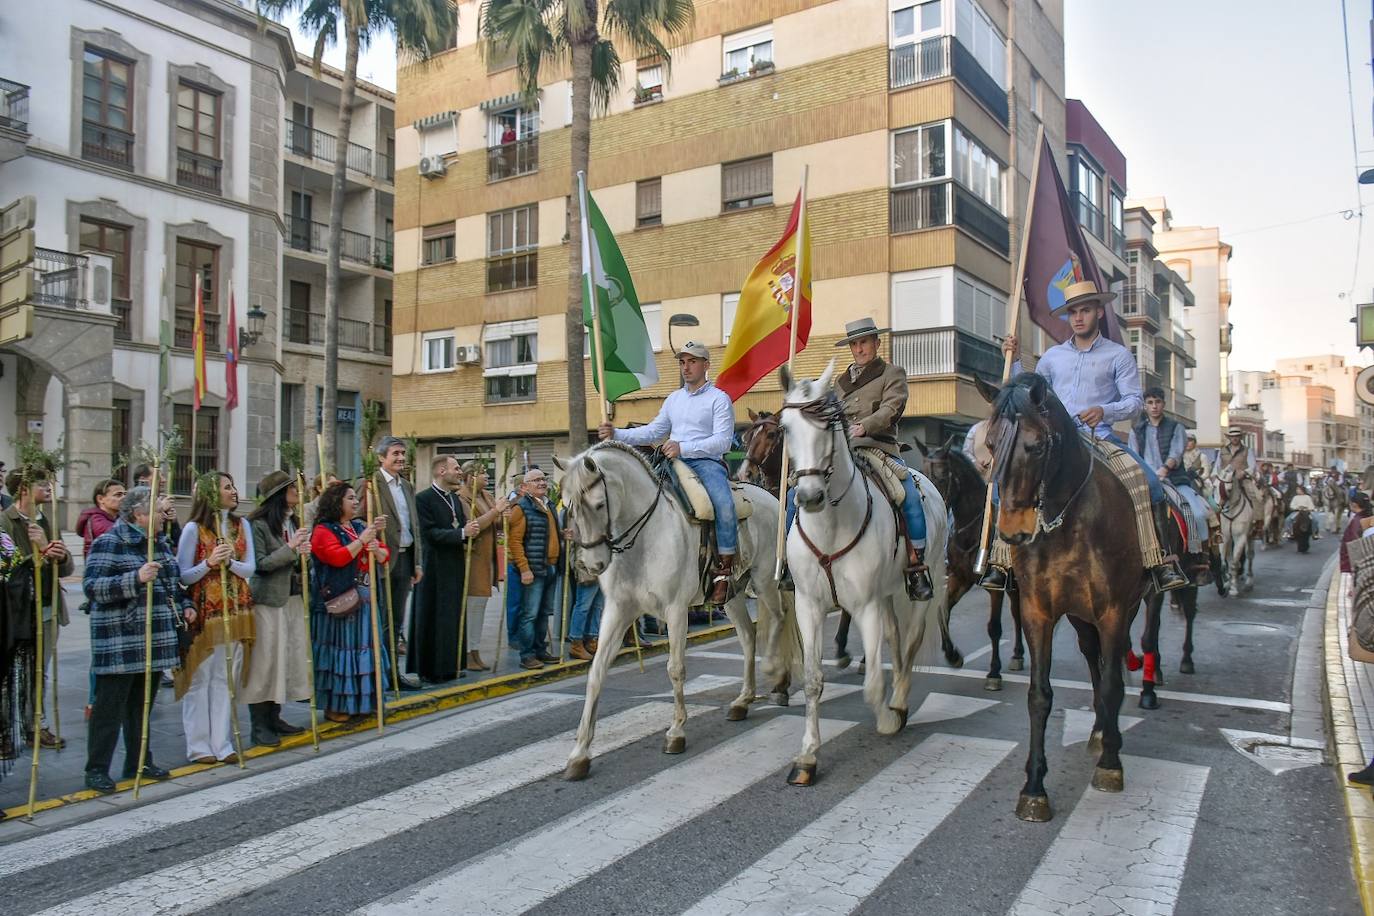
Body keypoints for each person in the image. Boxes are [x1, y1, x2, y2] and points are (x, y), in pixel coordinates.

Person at [995, 280, 1187, 591]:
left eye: (1085, 310)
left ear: (1098, 311)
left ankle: (1160, 559)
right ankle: (1001, 561)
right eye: (1073, 312)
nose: (1079, 317)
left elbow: (1134, 403)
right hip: (1055, 441)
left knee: (1151, 484)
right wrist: (1014, 361)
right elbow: (1031, 396)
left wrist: (1104, 410)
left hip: (1100, 438)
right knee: (1004, 483)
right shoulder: (1052, 358)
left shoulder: (1119, 355)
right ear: (1068, 317)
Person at [784, 317, 933, 600]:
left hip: (878, 447)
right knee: (795, 494)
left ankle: (917, 566)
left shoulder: (892, 373)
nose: (860, 348)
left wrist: (865, 426)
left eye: (864, 342)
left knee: (909, 495)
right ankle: (792, 564)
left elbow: (892, 407)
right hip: (841, 452)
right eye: (855, 343)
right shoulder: (838, 384)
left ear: (876, 343)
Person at [598, 341, 738, 604]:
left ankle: (724, 571)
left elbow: (723, 442)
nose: (686, 367)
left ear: (706, 365)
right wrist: (617, 434)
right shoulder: (674, 399)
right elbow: (652, 431)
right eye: (682, 362)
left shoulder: (719, 399)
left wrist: (684, 447)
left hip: (705, 463)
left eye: (692, 361)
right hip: (670, 461)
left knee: (724, 505)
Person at [81, 486, 192, 793]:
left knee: (141, 706)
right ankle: (97, 768)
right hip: (120, 639)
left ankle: (139, 760)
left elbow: (173, 583)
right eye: (158, 510)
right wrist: (135, 579)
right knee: (109, 708)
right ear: (139, 515)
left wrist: (186, 606)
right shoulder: (110, 542)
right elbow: (92, 587)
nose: (164, 515)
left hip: (154, 636)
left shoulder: (159, 543)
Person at [176, 471, 256, 765]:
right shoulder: (193, 529)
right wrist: (208, 563)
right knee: (201, 677)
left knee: (225, 678)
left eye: (233, 485)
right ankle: (198, 745)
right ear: (212, 493)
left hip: (236, 609)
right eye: (227, 487)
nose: (233, 491)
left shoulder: (241, 525)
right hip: (205, 611)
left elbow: (250, 568)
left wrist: (230, 562)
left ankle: (222, 742)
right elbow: (182, 574)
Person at [0, 468, 73, 749]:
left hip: (47, 608)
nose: (49, 487)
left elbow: (66, 567)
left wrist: (58, 553)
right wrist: (39, 553)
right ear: (23, 489)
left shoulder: (46, 518)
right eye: (41, 483)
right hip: (17, 612)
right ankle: (5, 729)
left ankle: (35, 726)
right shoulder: (7, 522)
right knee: (9, 674)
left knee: (39, 672)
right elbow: (9, 568)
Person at [310, 481, 390, 721]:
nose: (356, 503)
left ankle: (365, 701)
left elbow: (384, 556)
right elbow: (337, 558)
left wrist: (375, 548)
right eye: (350, 498)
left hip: (365, 596)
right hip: (340, 598)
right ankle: (337, 704)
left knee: (365, 650)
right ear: (337, 502)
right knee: (341, 652)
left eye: (356, 498)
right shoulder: (324, 530)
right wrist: (363, 541)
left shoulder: (357, 526)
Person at [242, 471, 312, 748]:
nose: (298, 491)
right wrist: (292, 547)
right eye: (292, 487)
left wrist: (304, 555)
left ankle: (275, 716)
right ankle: (259, 725)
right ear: (279, 494)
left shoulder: (295, 521)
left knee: (286, 658)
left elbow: (296, 560)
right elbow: (260, 563)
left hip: (292, 598)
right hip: (267, 600)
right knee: (265, 661)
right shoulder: (257, 524)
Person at [410, 455, 481, 683]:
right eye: (456, 468)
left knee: (453, 616)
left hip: (455, 565)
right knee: (435, 617)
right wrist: (461, 533)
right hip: (434, 567)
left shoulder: (453, 498)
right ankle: (432, 669)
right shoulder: (423, 499)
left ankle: (451, 665)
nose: (460, 472)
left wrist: (468, 531)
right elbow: (429, 533)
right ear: (442, 471)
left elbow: (458, 526)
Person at [1129, 387, 1213, 560]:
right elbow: (1134, 456)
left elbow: (1176, 453)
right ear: (1145, 406)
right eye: (1150, 403)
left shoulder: (1176, 427)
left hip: (1174, 481)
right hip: (1146, 482)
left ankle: (1200, 556)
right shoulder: (1136, 431)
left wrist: (1164, 469)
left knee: (1196, 514)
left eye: (1158, 402)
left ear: (1164, 404)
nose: (1154, 406)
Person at [370, 436, 422, 689]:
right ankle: (376, 674)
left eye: (403, 453)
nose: (401, 458)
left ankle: (393, 674)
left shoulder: (407, 486)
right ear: (382, 458)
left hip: (404, 558)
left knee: (396, 620)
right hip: (380, 560)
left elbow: (414, 525)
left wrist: (417, 562)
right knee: (380, 618)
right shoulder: (371, 484)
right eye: (395, 454)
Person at [507, 469, 563, 670]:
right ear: (526, 486)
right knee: (529, 613)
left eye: (543, 479)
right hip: (533, 568)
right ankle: (527, 654)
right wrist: (524, 569)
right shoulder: (521, 507)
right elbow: (514, 541)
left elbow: (548, 533)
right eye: (536, 480)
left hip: (550, 566)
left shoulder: (548, 505)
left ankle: (540, 650)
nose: (542, 482)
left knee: (543, 613)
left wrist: (563, 535)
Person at [457, 460, 507, 671]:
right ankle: (468, 651)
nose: (487, 477)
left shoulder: (485, 495)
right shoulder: (462, 497)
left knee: (481, 607)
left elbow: (495, 521)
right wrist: (496, 511)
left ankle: (475, 650)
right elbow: (474, 526)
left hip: (487, 560)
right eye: (482, 473)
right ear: (470, 477)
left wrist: (504, 515)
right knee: (472, 607)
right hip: (473, 559)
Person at [77, 479, 125, 558]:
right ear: (100, 499)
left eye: (125, 494)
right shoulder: (96, 519)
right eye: (118, 495)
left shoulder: (118, 517)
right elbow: (120, 534)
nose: (124, 498)